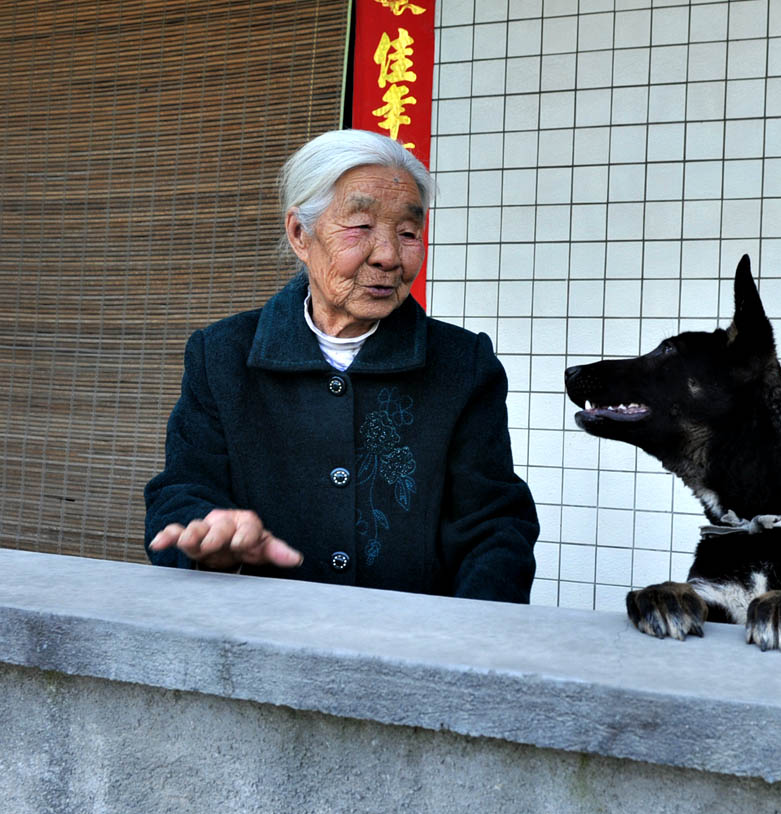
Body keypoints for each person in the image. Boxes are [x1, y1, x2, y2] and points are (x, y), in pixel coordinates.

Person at [145, 129, 538, 603]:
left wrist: (467, 642)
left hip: (415, 646)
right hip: (260, 635)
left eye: (409, 232)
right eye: (361, 227)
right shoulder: (223, 354)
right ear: (299, 234)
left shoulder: (462, 364)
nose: (390, 255)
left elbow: (493, 526)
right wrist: (209, 537)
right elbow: (184, 489)